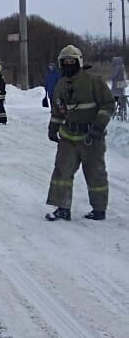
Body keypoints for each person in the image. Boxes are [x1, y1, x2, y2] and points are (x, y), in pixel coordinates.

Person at [45, 45, 114, 221]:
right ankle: (62, 208)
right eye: (65, 62)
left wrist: (98, 127)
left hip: (91, 137)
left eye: (71, 62)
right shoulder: (60, 85)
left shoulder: (94, 81)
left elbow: (107, 105)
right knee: (62, 173)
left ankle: (99, 210)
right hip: (68, 137)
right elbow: (58, 111)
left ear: (79, 62)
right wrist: (53, 129)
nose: (68, 65)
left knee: (95, 173)